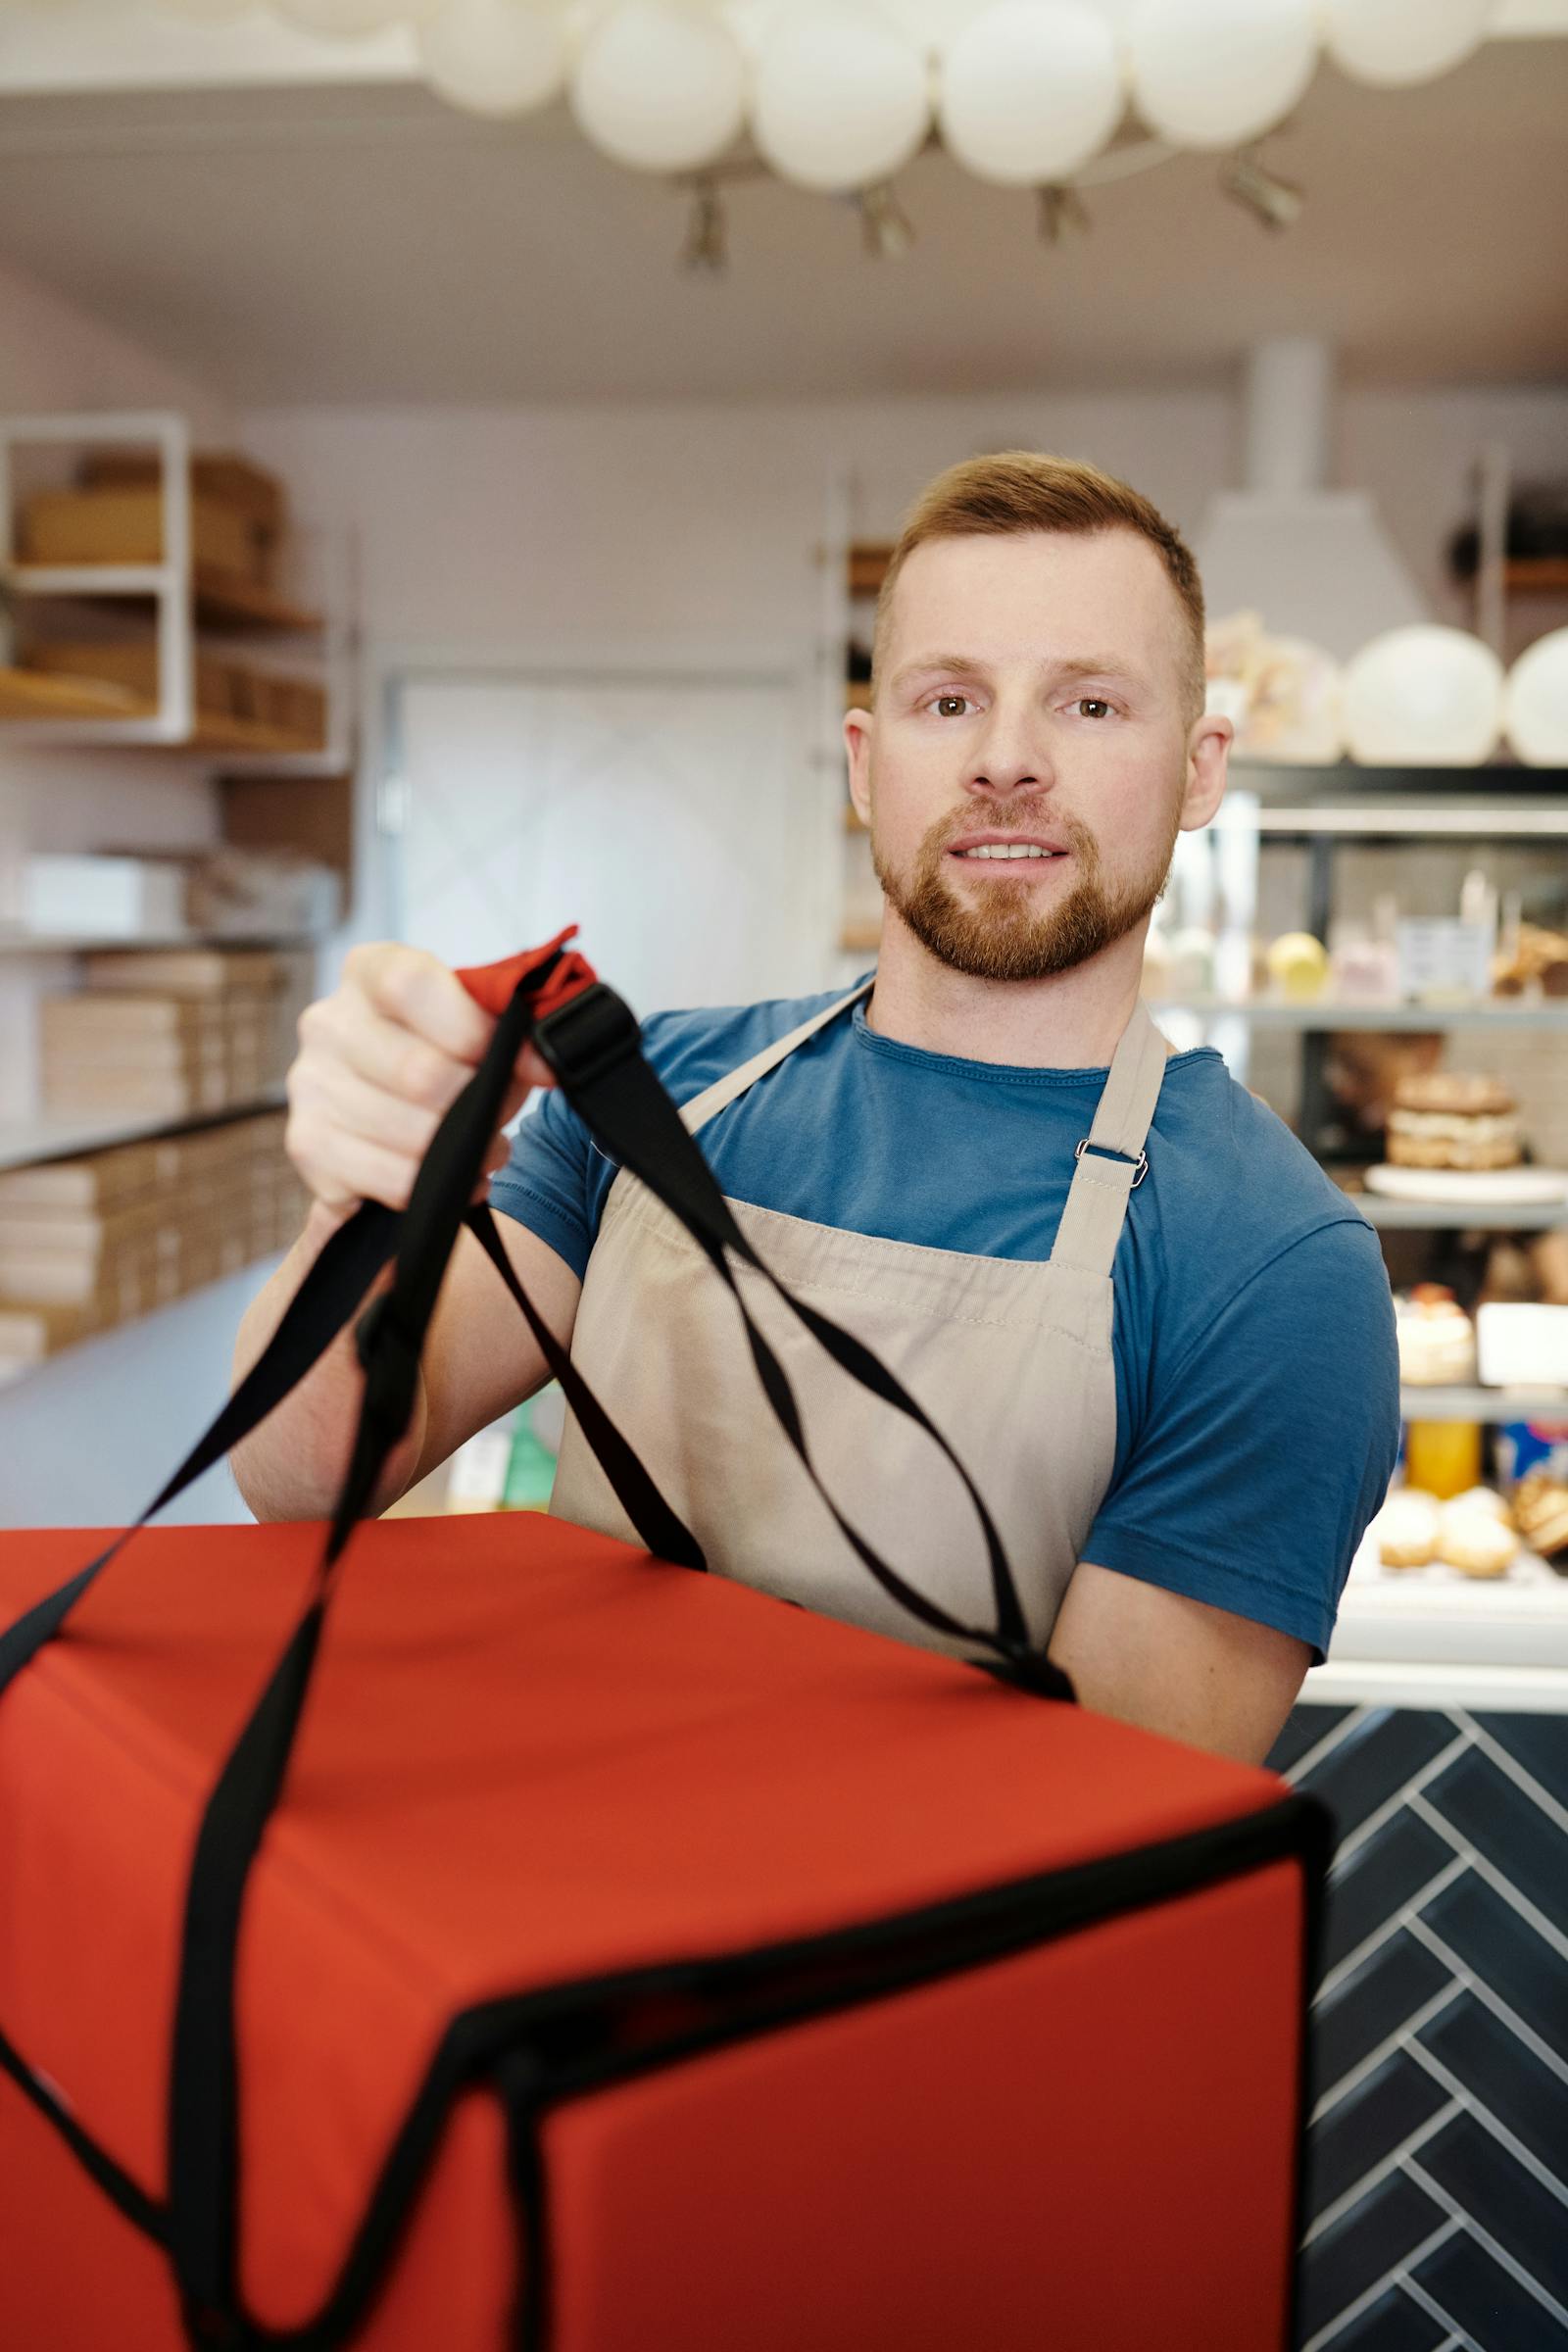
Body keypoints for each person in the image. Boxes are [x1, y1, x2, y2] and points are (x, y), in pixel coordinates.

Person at [232, 452, 1399, 1768]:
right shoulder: (647, 1098)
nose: (1005, 762)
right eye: (949, 699)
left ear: (1198, 773)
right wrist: (362, 1194)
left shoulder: (1274, 1266)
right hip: (529, 1923)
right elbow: (303, 1479)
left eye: (1087, 705)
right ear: (865, 758)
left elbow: (1086, 1831)